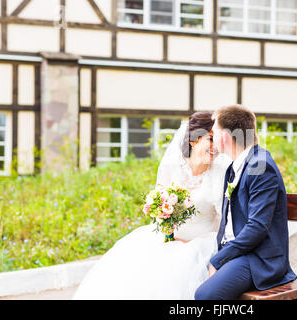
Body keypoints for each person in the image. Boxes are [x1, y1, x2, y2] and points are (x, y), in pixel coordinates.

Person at [72, 111, 231, 299]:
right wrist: (169, 235)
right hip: (167, 238)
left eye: (218, 141)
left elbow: (225, 220)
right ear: (193, 140)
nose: (216, 147)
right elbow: (158, 207)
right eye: (210, 139)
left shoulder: (221, 172)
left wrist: (192, 244)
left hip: (202, 243)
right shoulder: (171, 166)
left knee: (180, 269)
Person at [195, 105, 297, 300]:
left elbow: (257, 227)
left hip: (258, 259)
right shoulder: (235, 166)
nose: (212, 136)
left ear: (224, 136)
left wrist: (219, 259)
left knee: (205, 296)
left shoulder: (261, 166)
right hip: (239, 252)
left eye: (214, 132)